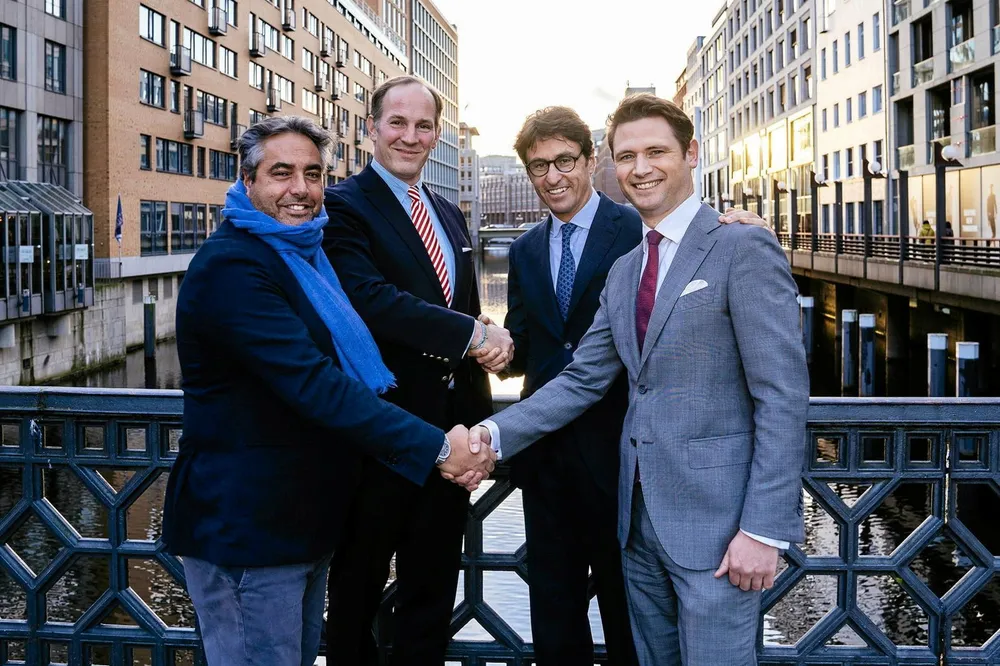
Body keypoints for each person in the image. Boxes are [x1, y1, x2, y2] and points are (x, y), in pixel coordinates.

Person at [463, 93, 809, 665]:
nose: (640, 168)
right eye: (627, 156)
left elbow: (782, 395)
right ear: (613, 164)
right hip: (636, 524)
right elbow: (582, 378)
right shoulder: (627, 270)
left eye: (656, 152)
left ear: (690, 153)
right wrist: (488, 436)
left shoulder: (741, 245)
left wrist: (763, 529)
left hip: (718, 530)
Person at [161, 116, 493, 666]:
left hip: (302, 524)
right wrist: (438, 447)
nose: (300, 189)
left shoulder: (301, 254)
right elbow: (314, 383)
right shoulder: (233, 265)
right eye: (282, 173)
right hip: (250, 529)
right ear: (248, 180)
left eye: (313, 174)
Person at [322, 76, 511, 665]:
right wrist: (474, 335)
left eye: (423, 125)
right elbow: (368, 299)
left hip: (453, 439)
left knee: (431, 595)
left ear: (437, 134)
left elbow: (460, 306)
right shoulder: (342, 206)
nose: (410, 136)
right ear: (371, 128)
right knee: (355, 593)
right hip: (380, 438)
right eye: (397, 123)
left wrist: (486, 345)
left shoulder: (448, 213)